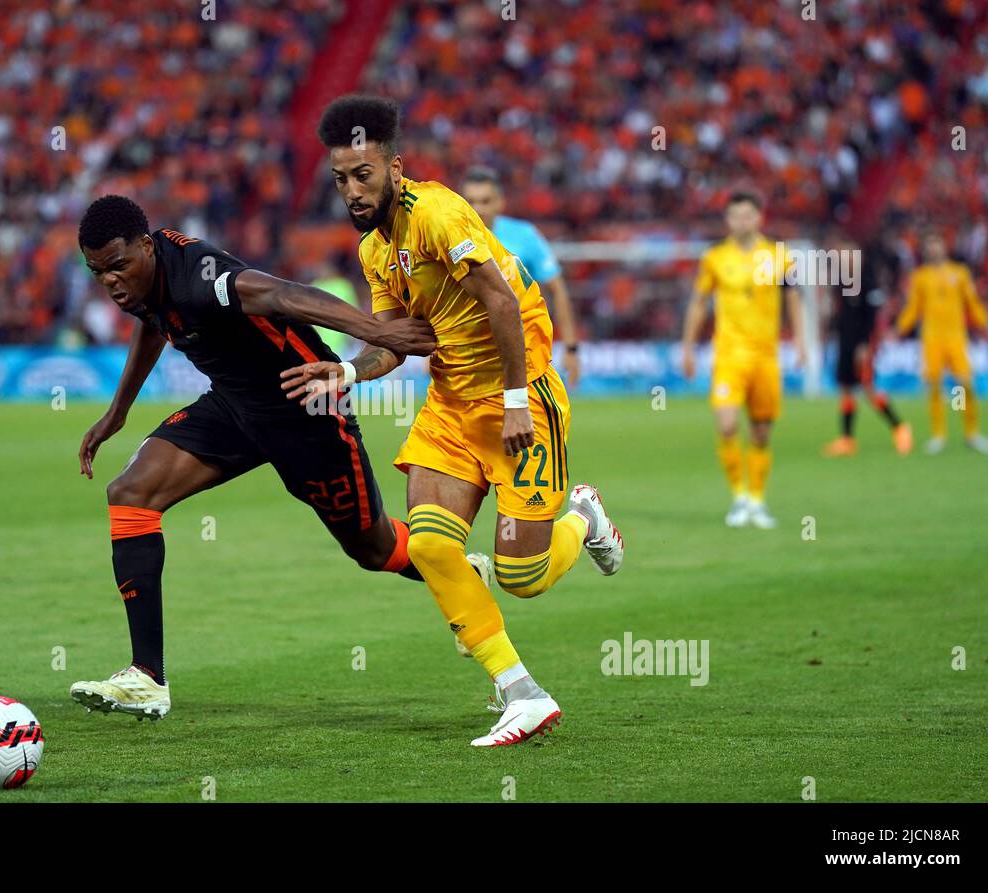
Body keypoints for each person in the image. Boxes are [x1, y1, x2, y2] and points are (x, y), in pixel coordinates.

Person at [283, 95, 624, 747]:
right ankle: (522, 692)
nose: (352, 190)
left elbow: (499, 297)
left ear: (394, 168)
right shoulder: (375, 251)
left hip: (516, 399)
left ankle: (583, 517)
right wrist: (349, 371)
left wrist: (519, 401)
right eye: (340, 177)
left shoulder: (438, 211)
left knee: (522, 577)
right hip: (449, 407)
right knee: (434, 544)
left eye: (363, 174)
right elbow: (393, 338)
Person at [69, 195, 436, 720]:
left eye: (119, 265)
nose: (111, 282)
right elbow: (153, 321)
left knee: (373, 548)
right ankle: (148, 677)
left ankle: (453, 568)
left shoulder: (199, 278)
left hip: (304, 405)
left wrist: (379, 333)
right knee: (131, 492)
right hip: (235, 406)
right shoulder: (143, 283)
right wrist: (118, 412)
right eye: (98, 271)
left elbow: (282, 294)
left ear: (146, 248)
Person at [681, 191, 806, 529]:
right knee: (727, 425)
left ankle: (757, 500)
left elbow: (793, 299)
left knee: (762, 433)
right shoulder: (715, 257)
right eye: (735, 216)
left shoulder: (779, 256)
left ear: (759, 217)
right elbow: (698, 301)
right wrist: (689, 347)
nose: (742, 221)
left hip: (766, 356)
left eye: (748, 215)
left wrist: (801, 342)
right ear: (728, 220)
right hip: (729, 354)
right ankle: (738, 496)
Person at [460, 166, 581, 388]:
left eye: (486, 201)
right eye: (471, 201)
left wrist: (571, 348)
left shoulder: (525, 235)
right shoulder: (451, 239)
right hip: (469, 352)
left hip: (525, 348)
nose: (478, 208)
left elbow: (557, 289)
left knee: (529, 419)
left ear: (500, 203)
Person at [894, 230, 988, 454]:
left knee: (962, 384)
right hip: (932, 337)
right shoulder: (920, 277)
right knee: (934, 385)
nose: (934, 249)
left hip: (955, 336)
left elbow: (973, 304)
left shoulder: (960, 273)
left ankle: (970, 432)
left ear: (944, 247)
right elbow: (913, 308)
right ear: (926, 250)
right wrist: (898, 328)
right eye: (930, 245)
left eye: (937, 244)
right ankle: (939, 435)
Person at [822, 237, 913, 457]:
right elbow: (841, 315)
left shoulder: (867, 281)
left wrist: (865, 344)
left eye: (849, 254)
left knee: (868, 388)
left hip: (862, 343)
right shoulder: (841, 281)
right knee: (846, 388)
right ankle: (847, 439)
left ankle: (900, 427)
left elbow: (871, 317)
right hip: (845, 341)